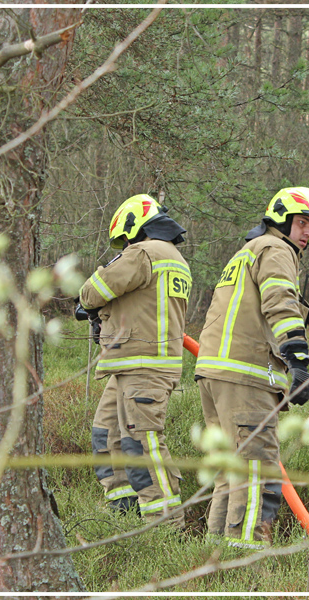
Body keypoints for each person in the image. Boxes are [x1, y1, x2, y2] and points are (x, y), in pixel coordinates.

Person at [194, 186, 309, 549]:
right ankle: (246, 563)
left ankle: (217, 557)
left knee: (231, 471)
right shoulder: (276, 250)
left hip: (215, 374)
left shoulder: (248, 251)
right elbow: (279, 300)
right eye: (302, 223)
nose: (307, 233)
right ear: (281, 220)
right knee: (257, 471)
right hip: (245, 376)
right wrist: (297, 357)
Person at [76, 194, 191, 527]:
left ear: (134, 226)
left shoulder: (143, 252)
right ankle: (124, 510)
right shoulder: (173, 257)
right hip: (131, 365)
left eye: (125, 240)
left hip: (143, 366)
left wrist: (89, 304)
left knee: (141, 445)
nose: (124, 246)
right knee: (107, 435)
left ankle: (165, 526)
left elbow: (93, 291)